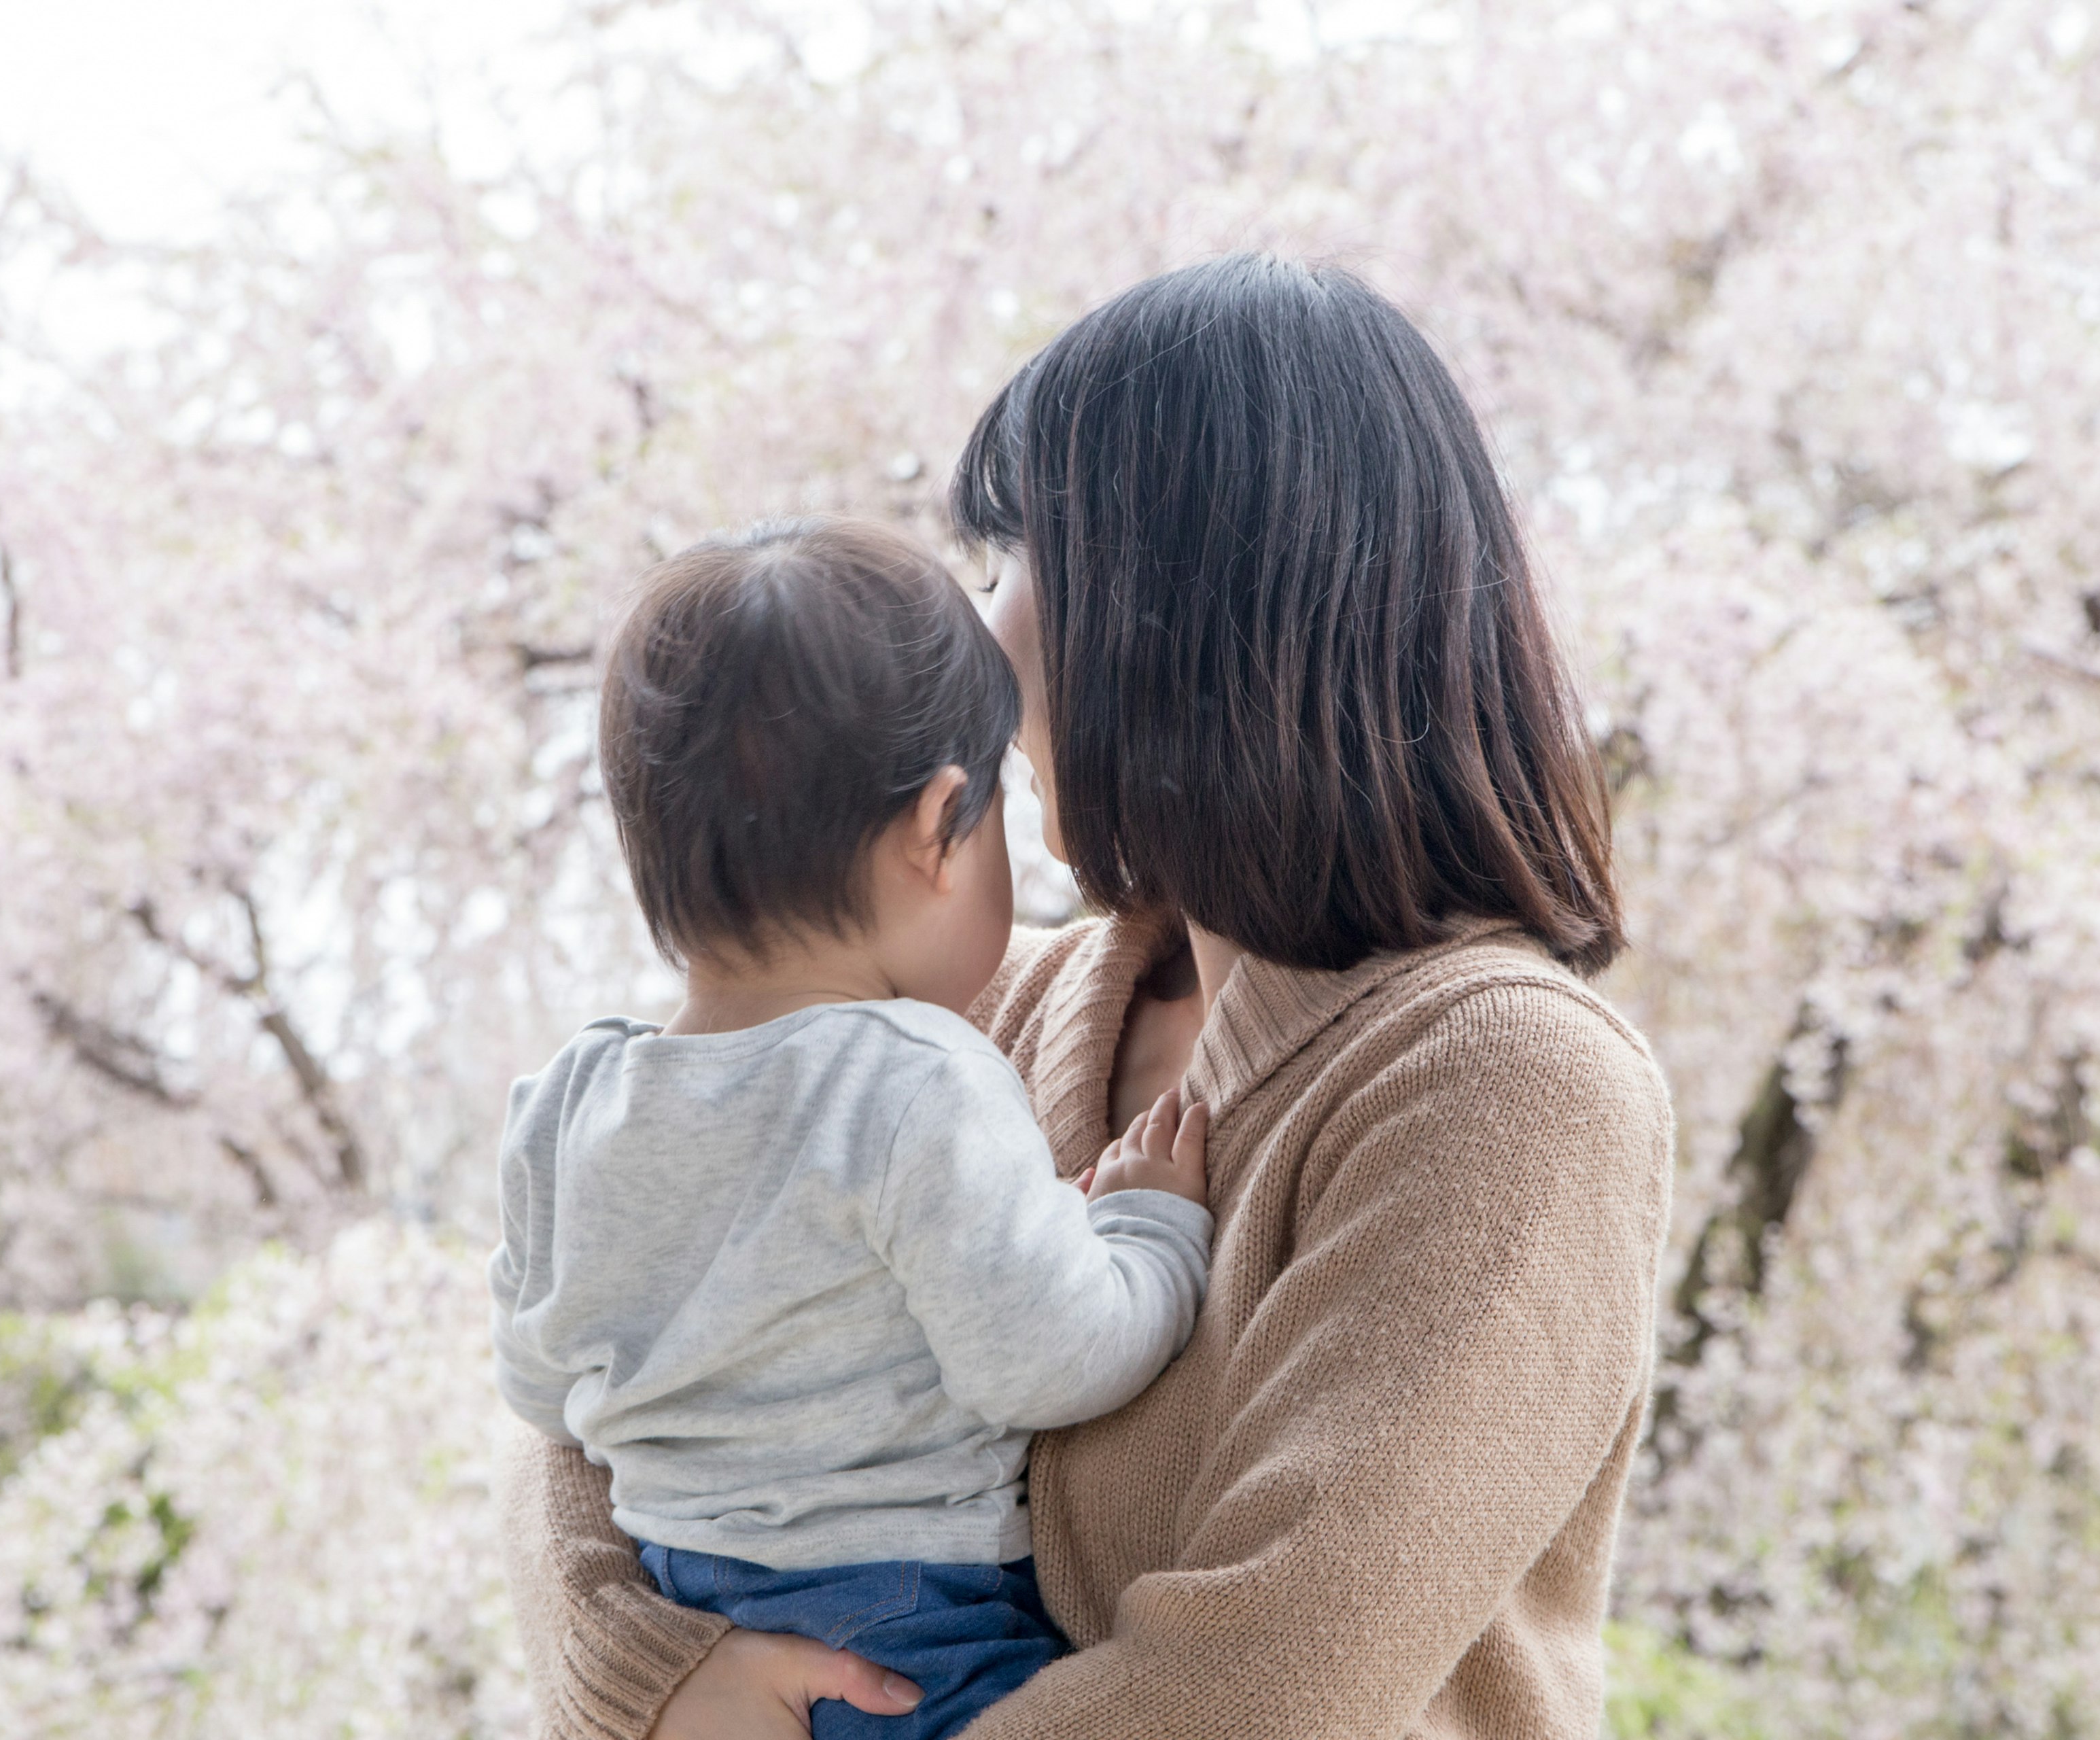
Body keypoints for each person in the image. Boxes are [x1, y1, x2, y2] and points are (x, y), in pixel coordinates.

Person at [500, 254, 1675, 1740]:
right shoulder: (972, 1011)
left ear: (1175, 607)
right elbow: (622, 1384)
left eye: (1010, 562)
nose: (981, 637)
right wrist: (649, 1673)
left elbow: (1263, 1676)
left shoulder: (1505, 1084)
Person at [486, 517, 1217, 1740]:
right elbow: (1048, 1360)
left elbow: (541, 1385)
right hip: (908, 1629)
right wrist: (1151, 1228)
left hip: (684, 1603)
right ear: (940, 827)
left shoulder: (566, 1101)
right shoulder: (916, 1079)